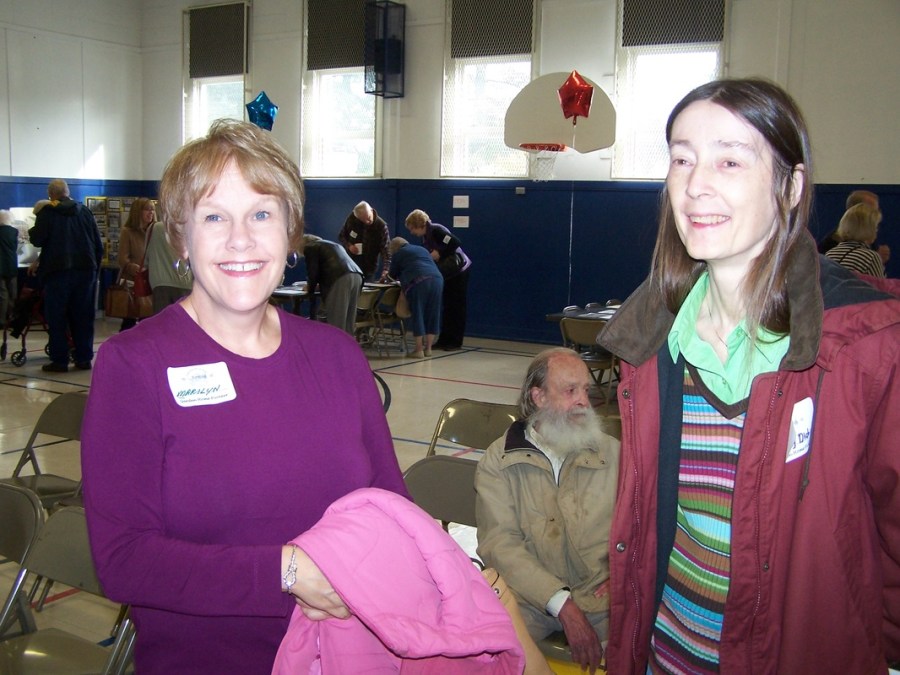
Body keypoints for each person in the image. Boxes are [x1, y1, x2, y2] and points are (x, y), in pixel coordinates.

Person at [81, 119, 409, 674]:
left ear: (291, 233)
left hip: (349, 656)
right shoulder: (134, 365)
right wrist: (286, 572)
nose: (241, 239)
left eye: (262, 214)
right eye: (214, 217)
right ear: (181, 239)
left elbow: (392, 509)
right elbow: (123, 560)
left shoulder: (337, 355)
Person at [597, 78, 900, 673]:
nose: (695, 184)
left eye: (730, 160)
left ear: (791, 186)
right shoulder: (653, 340)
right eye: (681, 159)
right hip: (666, 654)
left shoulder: (868, 346)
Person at [475, 347, 619, 674]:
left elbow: (643, 521)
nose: (584, 400)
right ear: (538, 397)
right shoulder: (498, 462)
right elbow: (500, 544)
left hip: (602, 594)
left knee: (638, 650)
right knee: (486, 651)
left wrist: (626, 568)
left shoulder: (613, 454)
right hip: (529, 597)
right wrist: (561, 603)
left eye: (586, 389)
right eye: (570, 391)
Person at [29, 178, 103, 372]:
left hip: (57, 272)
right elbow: (97, 244)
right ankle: (84, 358)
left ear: (50, 195)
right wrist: (94, 271)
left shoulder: (47, 213)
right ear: (67, 192)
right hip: (85, 271)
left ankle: (60, 360)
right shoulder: (85, 212)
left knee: (57, 318)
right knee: (83, 316)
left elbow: (37, 239)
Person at [405, 209, 472, 350]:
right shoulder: (426, 237)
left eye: (412, 229)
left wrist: (440, 252)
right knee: (447, 306)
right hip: (447, 273)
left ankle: (455, 341)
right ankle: (444, 339)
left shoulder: (436, 230)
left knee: (457, 307)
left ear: (419, 224)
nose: (412, 232)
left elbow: (455, 242)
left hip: (459, 271)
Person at [387, 237, 442, 358]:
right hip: (437, 280)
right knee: (433, 314)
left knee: (418, 313)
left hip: (418, 282)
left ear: (394, 248)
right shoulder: (422, 249)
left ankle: (418, 350)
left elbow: (392, 275)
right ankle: (428, 348)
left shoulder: (398, 253)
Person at [301, 233, 364, 334]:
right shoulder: (333, 245)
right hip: (357, 275)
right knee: (349, 322)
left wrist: (310, 289)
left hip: (341, 279)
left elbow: (313, 272)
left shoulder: (310, 247)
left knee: (337, 321)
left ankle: (335, 348)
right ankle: (349, 348)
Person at [116, 197, 155, 330]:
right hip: (133, 283)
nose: (150, 213)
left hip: (150, 282)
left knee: (148, 319)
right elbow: (122, 259)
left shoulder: (155, 231)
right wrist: (134, 267)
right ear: (138, 212)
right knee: (129, 320)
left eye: (152, 210)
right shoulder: (128, 232)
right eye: (147, 210)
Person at [144, 218, 193, 313]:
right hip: (185, 282)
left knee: (162, 323)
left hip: (160, 283)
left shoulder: (155, 228)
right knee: (183, 322)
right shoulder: (188, 227)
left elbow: (146, 255)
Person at [825, 202, 886, 277]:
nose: (877, 230)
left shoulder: (830, 254)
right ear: (868, 229)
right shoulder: (870, 258)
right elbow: (878, 287)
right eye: (875, 226)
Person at [338, 200, 391, 281]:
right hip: (351, 265)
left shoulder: (381, 226)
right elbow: (341, 236)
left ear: (371, 210)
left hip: (369, 267)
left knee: (366, 292)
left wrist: (386, 270)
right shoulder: (352, 219)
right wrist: (349, 246)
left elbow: (385, 250)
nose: (367, 222)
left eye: (369, 218)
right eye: (363, 220)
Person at [0, 210, 18, 327]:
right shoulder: (14, 231)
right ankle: (12, 317)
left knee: (2, 293)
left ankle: (1, 320)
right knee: (13, 292)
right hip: (11, 263)